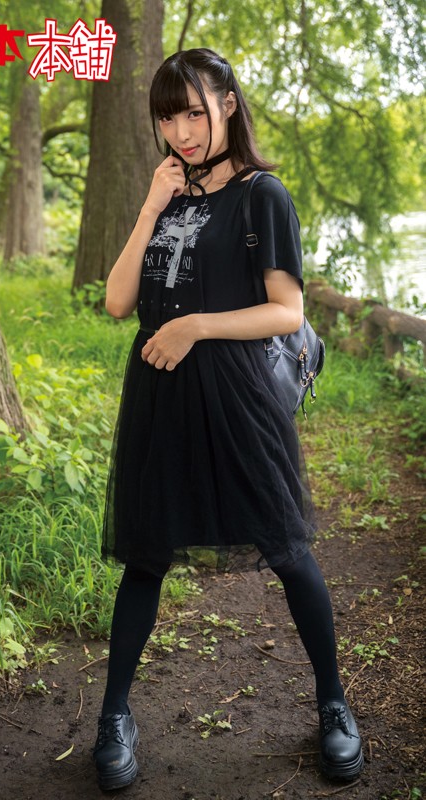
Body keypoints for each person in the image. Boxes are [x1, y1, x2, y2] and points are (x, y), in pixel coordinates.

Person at [92, 47, 363, 791]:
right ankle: (114, 716)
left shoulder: (261, 196)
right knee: (146, 557)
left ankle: (333, 703)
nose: (180, 132)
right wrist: (151, 205)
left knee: (287, 547)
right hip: (159, 399)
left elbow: (287, 311)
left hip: (237, 396)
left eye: (193, 112)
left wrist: (196, 327)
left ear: (228, 104)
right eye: (166, 117)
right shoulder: (168, 192)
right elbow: (117, 302)